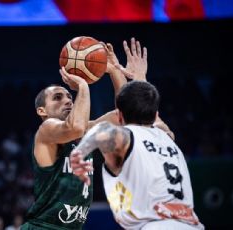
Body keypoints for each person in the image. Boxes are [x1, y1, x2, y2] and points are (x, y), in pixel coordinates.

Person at [21, 38, 151, 229]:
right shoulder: (47, 130)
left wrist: (113, 70)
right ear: (42, 111)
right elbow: (76, 127)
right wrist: (83, 84)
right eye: (58, 97)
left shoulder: (85, 131)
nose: (67, 100)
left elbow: (125, 114)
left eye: (68, 96)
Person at [70, 80, 204, 229]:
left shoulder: (127, 137)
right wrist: (138, 77)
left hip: (154, 225)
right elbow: (154, 116)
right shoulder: (168, 136)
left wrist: (79, 153)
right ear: (156, 115)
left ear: (119, 117)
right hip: (192, 225)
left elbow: (102, 130)